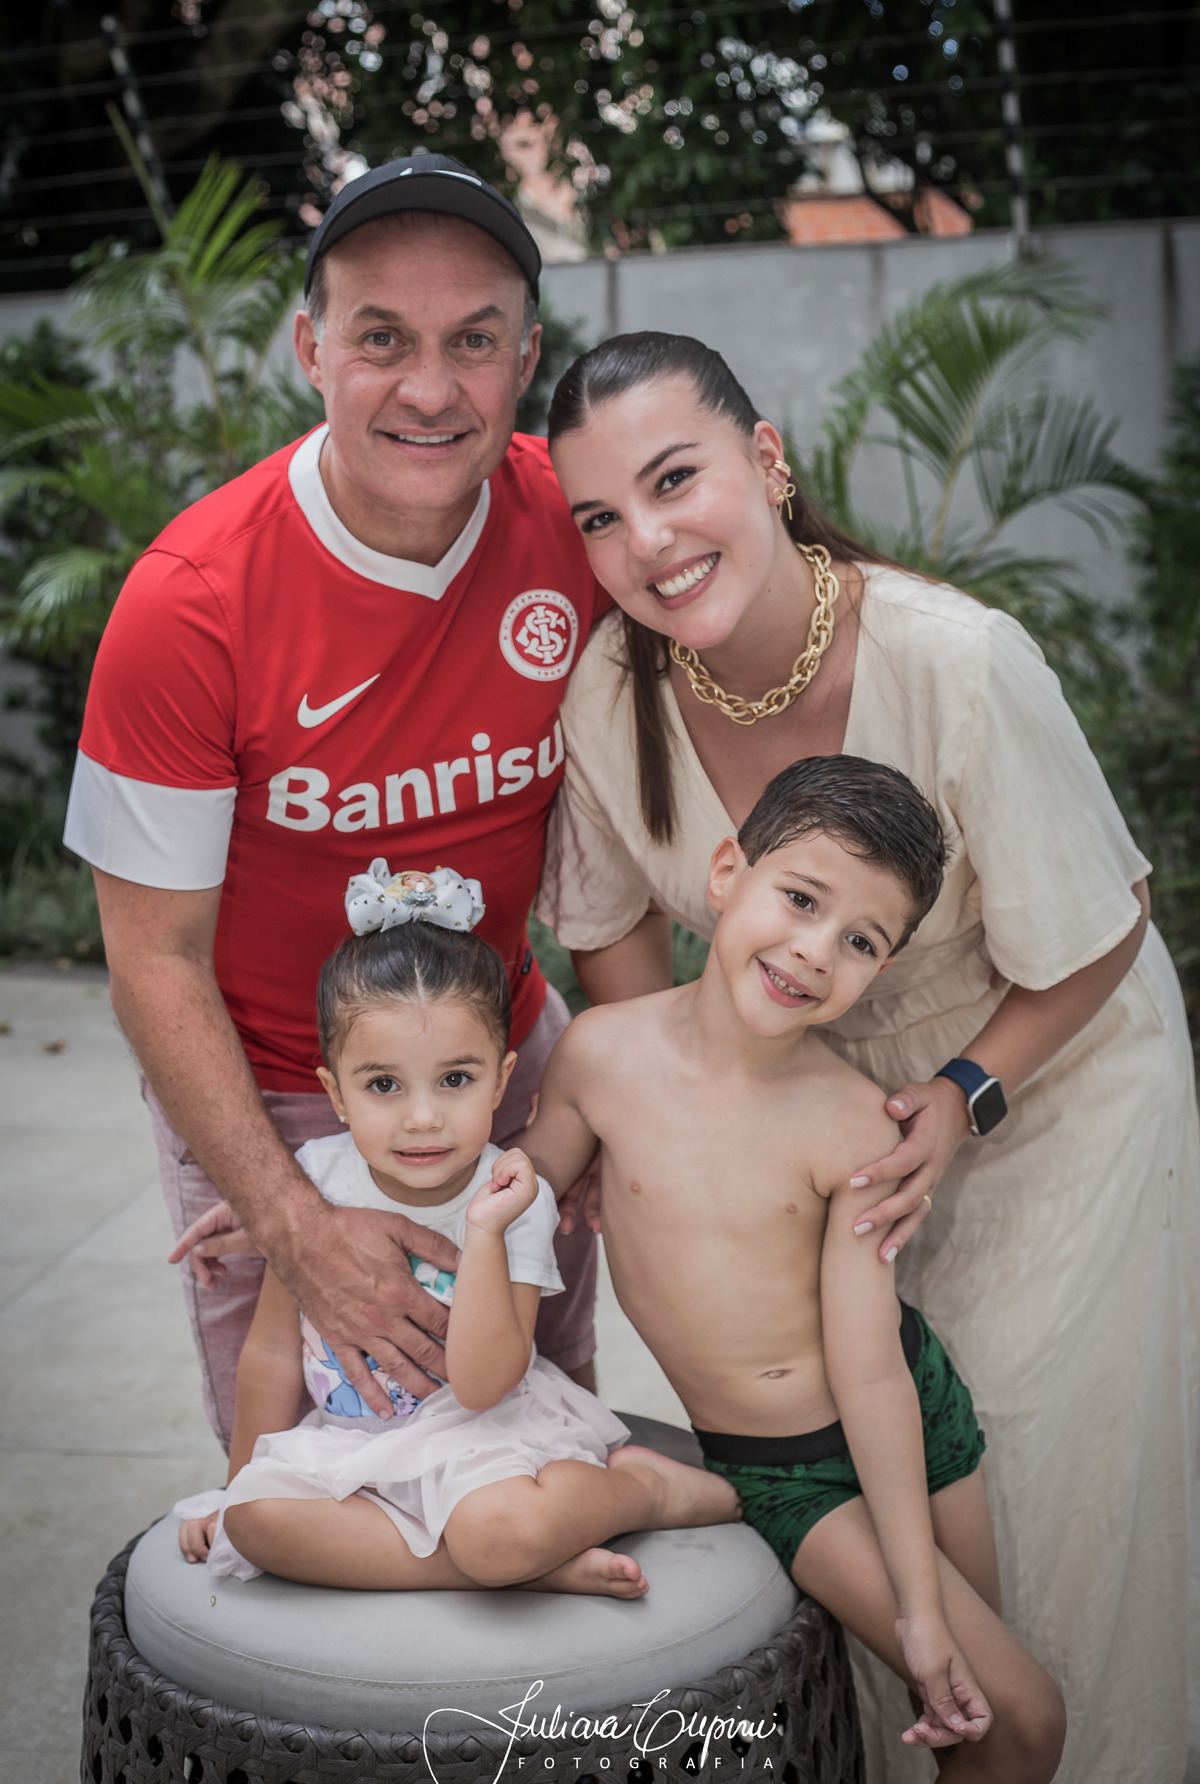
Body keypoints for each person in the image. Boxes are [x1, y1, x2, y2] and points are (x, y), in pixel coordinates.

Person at [537, 332, 1200, 1784]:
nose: (647, 542)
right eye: (599, 517)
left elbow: (1104, 924)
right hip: (808, 1112)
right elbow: (612, 932)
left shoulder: (958, 661)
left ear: (767, 461)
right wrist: (676, 1117)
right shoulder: (605, 696)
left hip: (1045, 1081)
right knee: (850, 1476)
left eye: (675, 480)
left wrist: (960, 1102)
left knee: (1036, 1492)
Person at [63, 156, 608, 1449]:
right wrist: (291, 1218)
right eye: (382, 338)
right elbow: (151, 960)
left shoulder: (576, 528)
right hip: (276, 1096)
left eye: (474, 340)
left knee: (544, 1433)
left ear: (526, 357)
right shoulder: (190, 601)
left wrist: (603, 1109)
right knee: (313, 1473)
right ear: (311, 350)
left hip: (507, 1066)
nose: (430, 387)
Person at [520, 756, 1064, 1773]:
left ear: (882, 968)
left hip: (907, 1406)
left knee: (980, 1720)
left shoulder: (853, 1124)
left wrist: (918, 1606)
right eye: (802, 899)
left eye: (860, 941)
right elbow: (516, 1192)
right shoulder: (599, 1055)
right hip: (779, 1467)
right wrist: (342, 1206)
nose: (815, 951)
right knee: (1025, 1718)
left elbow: (871, 1370)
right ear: (728, 872)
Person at [174, 864, 738, 1594]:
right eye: (383, 1084)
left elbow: (481, 1386)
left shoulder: (511, 1195)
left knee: (499, 1528)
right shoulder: (312, 1181)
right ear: (335, 1093)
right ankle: (511, 1572)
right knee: (255, 1522)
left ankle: (639, 1492)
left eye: (455, 1079)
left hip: (483, 1444)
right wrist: (234, 1488)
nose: (422, 1117)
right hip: (350, 1445)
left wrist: (485, 1235)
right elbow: (274, 1352)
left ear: (501, 1080)